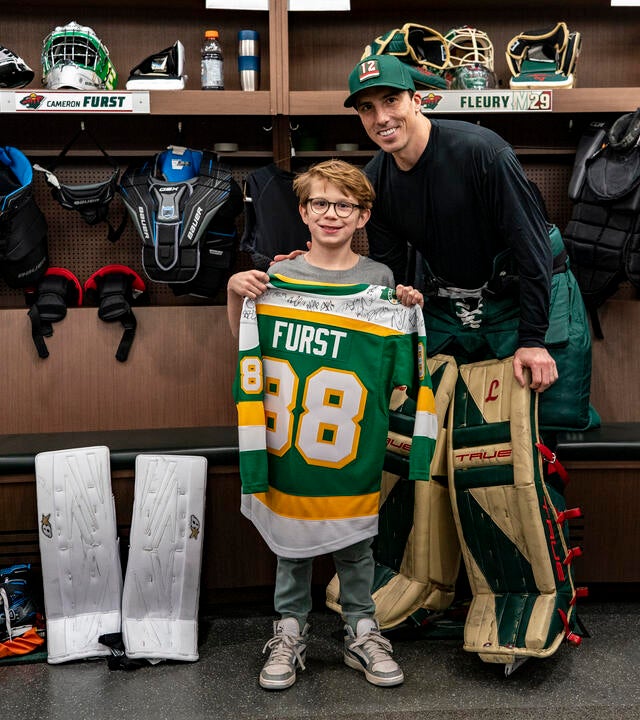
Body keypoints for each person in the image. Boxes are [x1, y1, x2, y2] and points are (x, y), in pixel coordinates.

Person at [227, 159, 430, 690]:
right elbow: (246, 342)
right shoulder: (280, 276)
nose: (331, 214)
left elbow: (399, 370)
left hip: (350, 440)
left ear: (363, 216)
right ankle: (289, 629)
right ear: (303, 211)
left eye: (344, 205)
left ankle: (361, 628)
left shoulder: (378, 281)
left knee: (356, 539)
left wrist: (406, 309)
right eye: (320, 203)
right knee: (291, 540)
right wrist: (235, 292)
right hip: (289, 438)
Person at [340, 54, 598, 435]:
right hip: (454, 303)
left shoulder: (481, 152)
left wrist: (532, 340)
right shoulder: (375, 180)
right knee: (453, 428)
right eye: (367, 108)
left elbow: (532, 251)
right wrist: (322, 260)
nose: (381, 118)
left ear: (417, 100)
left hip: (527, 290)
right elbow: (386, 271)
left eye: (391, 100)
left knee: (547, 426)